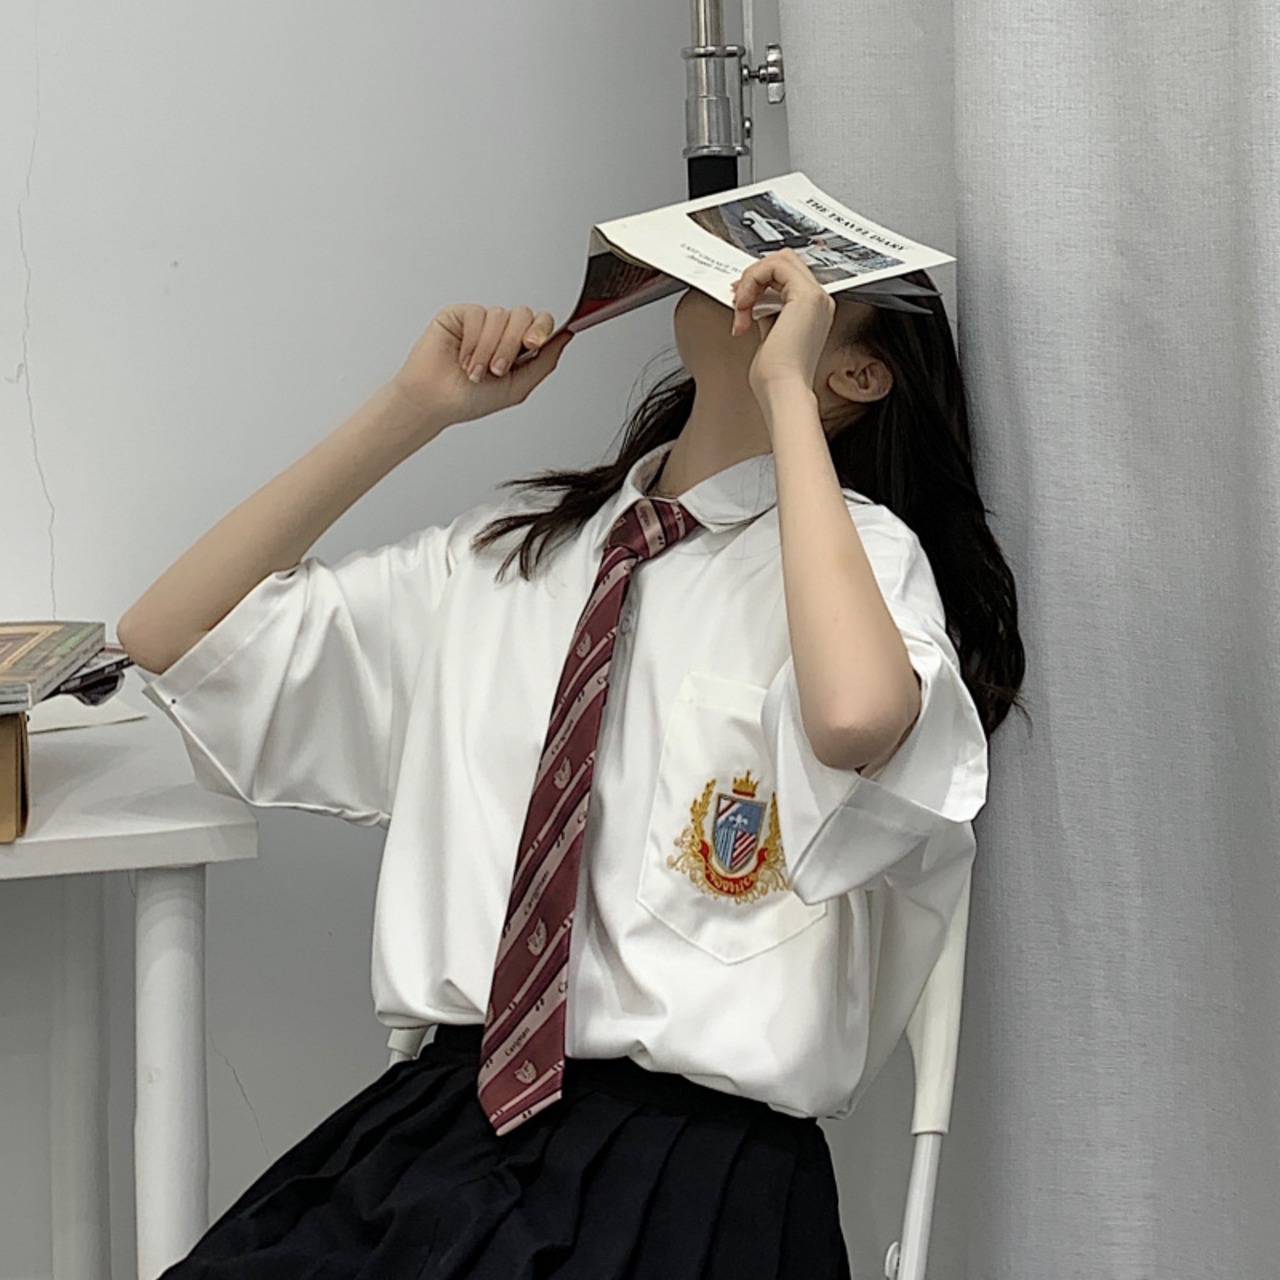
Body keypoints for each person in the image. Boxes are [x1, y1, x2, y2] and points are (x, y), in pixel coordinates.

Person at [118, 247, 1026, 1279]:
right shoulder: (509, 555)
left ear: (856, 373)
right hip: (443, 1127)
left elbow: (858, 717)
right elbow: (169, 635)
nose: (753, 265)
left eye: (802, 271)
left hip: (698, 1169)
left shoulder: (860, 568)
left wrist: (785, 393)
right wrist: (415, 409)